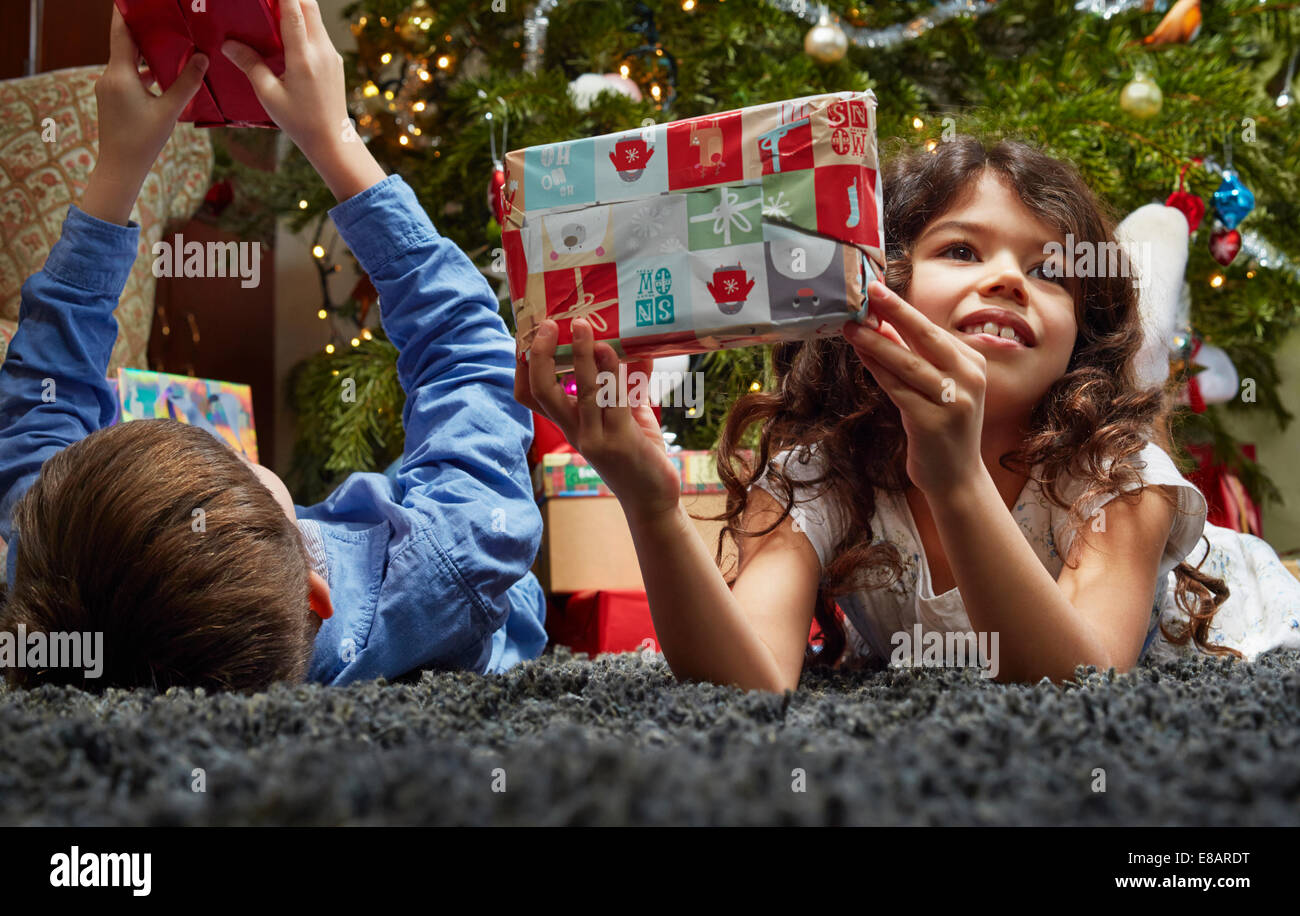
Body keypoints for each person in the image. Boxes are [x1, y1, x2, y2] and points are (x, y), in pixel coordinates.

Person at [517, 135, 1300, 692]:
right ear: (875, 285)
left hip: (1238, 610)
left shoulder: (1117, 473)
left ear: (1081, 337)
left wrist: (954, 478)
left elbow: (1084, 683)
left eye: (1050, 270)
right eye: (961, 251)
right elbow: (748, 678)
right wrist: (650, 505)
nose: (1006, 280)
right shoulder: (819, 471)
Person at [0, 0, 546, 690]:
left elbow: (39, 411)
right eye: (244, 471)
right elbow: (467, 356)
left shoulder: (51, 567)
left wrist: (116, 168)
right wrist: (334, 139)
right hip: (484, 600)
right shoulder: (454, 561)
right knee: (459, 535)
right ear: (317, 599)